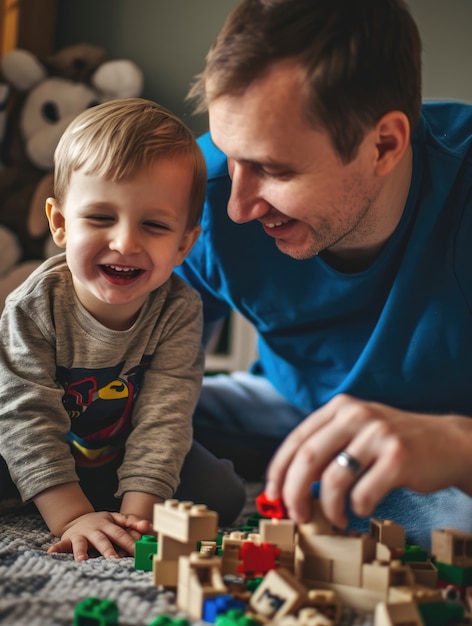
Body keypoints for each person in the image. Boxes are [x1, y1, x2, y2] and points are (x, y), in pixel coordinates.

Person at [176, 0, 472, 550]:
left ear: (383, 144)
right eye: (228, 152)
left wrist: (458, 446)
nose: (237, 207)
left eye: (273, 169)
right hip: (289, 405)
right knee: (84, 415)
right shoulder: (201, 192)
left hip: (445, 440)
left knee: (455, 522)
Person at [0, 98, 245, 562]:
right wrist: (71, 517)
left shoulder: (178, 309)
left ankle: (102, 502)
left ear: (183, 245)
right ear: (60, 224)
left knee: (223, 493)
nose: (126, 243)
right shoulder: (34, 306)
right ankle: (56, 497)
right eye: (100, 218)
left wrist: (138, 517)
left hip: (116, 451)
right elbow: (23, 415)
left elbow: (165, 418)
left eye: (154, 225)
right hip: (23, 437)